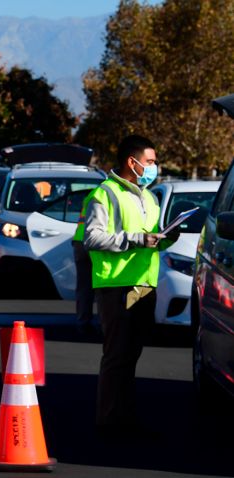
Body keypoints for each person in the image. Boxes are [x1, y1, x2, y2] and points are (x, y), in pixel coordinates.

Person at [83, 135, 178, 435]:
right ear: (132, 162)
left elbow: (146, 237)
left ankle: (124, 417)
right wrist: (136, 239)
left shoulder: (148, 196)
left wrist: (163, 238)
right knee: (116, 355)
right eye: (150, 161)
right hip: (117, 285)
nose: (154, 167)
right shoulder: (106, 193)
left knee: (131, 354)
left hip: (143, 284)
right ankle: (109, 420)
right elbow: (92, 237)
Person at [73, 191, 96, 335]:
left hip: (80, 241)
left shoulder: (93, 194)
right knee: (104, 284)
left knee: (84, 286)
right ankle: (108, 323)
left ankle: (83, 321)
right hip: (96, 243)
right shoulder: (110, 194)